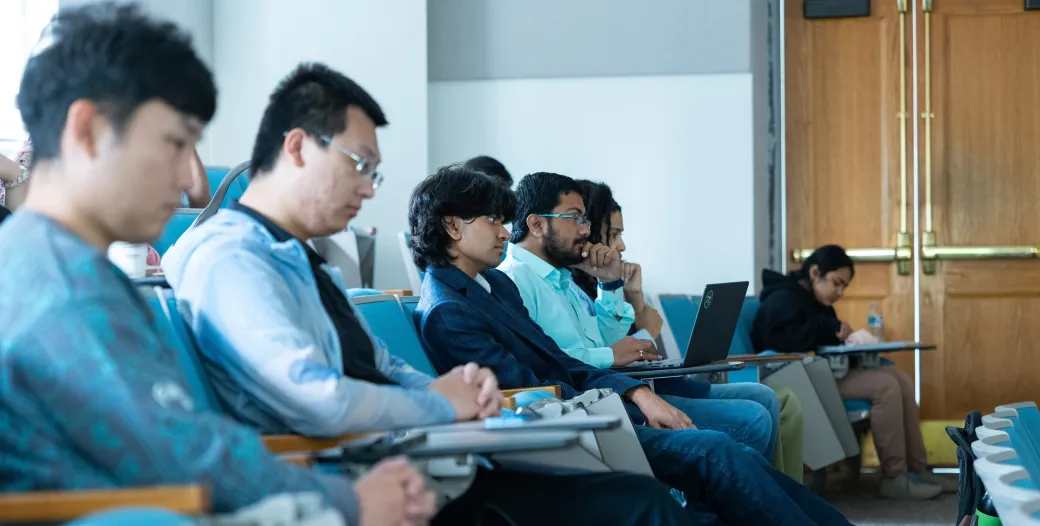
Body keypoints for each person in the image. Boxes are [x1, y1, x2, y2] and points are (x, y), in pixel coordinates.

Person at [161, 62, 693, 526]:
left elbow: (381, 366)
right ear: (298, 147)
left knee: (639, 496)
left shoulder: (300, 259)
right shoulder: (231, 259)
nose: (369, 187)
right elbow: (315, 397)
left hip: (412, 456)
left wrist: (459, 394)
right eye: (359, 163)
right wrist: (436, 404)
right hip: (355, 478)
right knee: (638, 505)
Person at [0, 5, 440, 525]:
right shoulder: (63, 287)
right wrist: (350, 500)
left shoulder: (56, 265)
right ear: (89, 131)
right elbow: (182, 455)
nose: (192, 178)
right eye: (174, 143)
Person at [410, 164, 855, 526]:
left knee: (727, 453)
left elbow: (560, 360)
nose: (503, 232)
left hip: (591, 406)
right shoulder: (450, 310)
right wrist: (621, 401)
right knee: (717, 452)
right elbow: (529, 392)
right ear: (452, 225)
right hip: (568, 426)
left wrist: (636, 391)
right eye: (491, 218)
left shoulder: (491, 288)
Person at [498, 172, 780, 459]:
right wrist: (610, 355)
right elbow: (548, 364)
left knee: (764, 400)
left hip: (615, 389)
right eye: (575, 218)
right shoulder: (513, 280)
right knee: (753, 418)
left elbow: (606, 342)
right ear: (536, 224)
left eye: (585, 220)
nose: (585, 231)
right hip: (592, 403)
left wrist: (608, 284)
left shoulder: (560, 278)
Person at [570, 178, 806, 483]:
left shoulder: (607, 284)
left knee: (768, 398)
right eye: (614, 235)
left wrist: (635, 296)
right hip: (637, 392)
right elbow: (631, 346)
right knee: (760, 408)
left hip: (659, 381)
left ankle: (777, 498)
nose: (622, 245)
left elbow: (651, 337)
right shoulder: (581, 291)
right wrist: (619, 296)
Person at [752, 244, 955, 499]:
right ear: (815, 272)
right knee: (885, 387)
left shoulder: (814, 302)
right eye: (837, 283)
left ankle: (919, 468)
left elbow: (818, 337)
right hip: (799, 378)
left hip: (820, 373)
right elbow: (779, 340)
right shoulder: (782, 299)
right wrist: (830, 328)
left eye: (844, 286)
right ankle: (895, 477)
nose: (840, 292)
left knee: (901, 380)